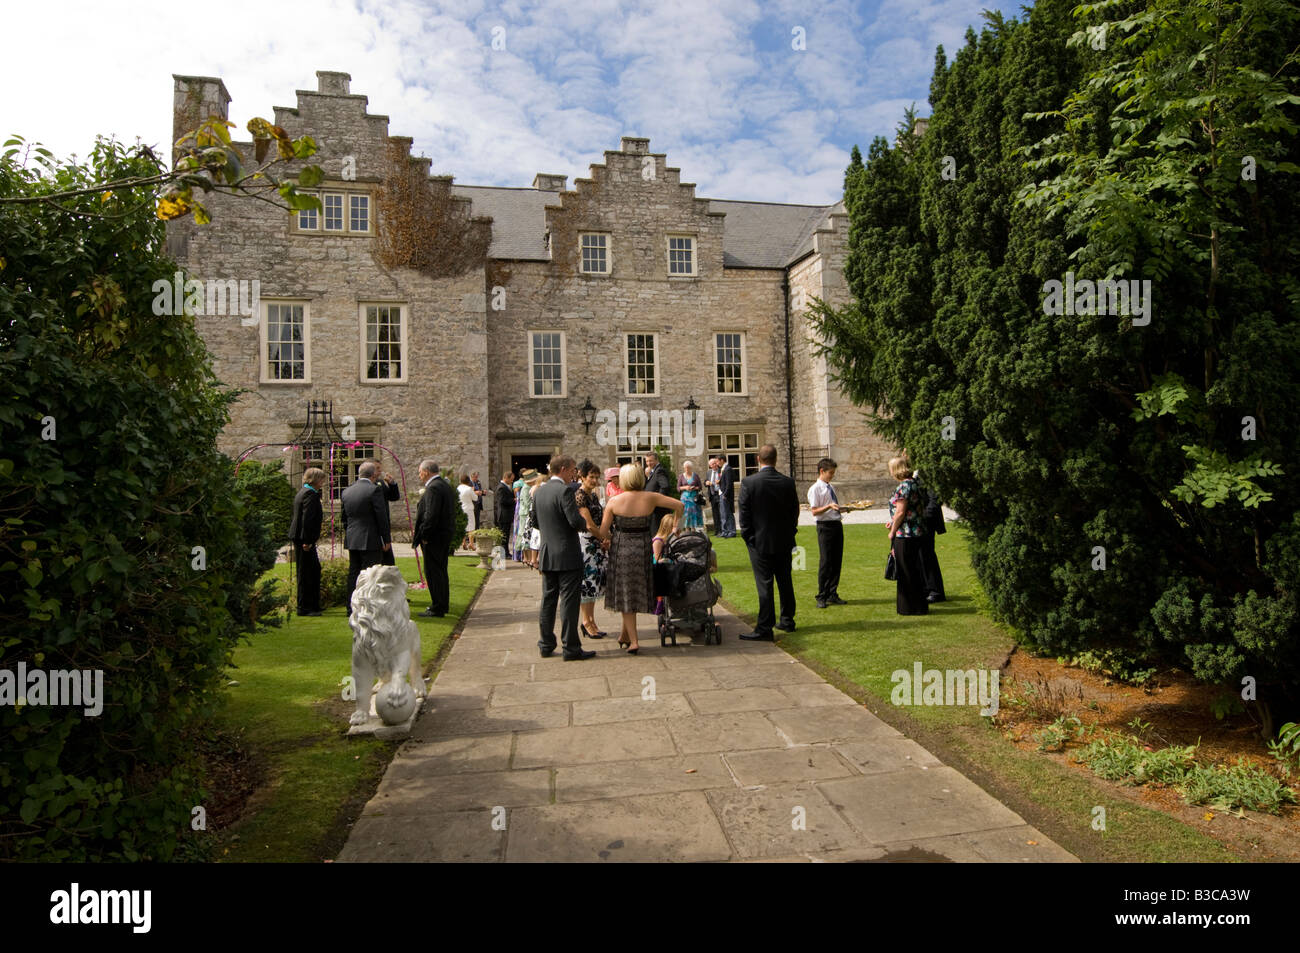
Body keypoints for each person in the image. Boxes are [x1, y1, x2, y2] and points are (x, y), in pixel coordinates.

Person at [597, 463, 683, 654]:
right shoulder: (651, 497)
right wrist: (675, 527)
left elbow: (603, 532)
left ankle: (634, 641)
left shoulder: (614, 501)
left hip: (621, 551)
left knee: (626, 594)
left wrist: (601, 533)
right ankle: (624, 634)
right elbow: (679, 505)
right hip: (643, 549)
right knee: (635, 591)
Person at [533, 455, 595, 661]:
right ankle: (571, 648)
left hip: (548, 552)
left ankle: (546, 644)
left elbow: (535, 521)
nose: (574, 474)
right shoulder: (565, 491)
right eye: (573, 470)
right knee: (568, 602)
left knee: (548, 600)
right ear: (563, 469)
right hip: (567, 553)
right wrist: (583, 522)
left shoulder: (540, 490)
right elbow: (575, 521)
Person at [738, 444, 800, 641]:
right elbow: (794, 513)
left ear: (758, 459)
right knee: (785, 581)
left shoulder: (749, 482)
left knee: (764, 584)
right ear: (776, 459)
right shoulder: (787, 482)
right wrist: (790, 533)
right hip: (783, 540)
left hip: (760, 542)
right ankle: (787, 621)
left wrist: (749, 538)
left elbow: (744, 515)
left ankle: (765, 627)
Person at [341, 460, 392, 614]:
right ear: (373, 475)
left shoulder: (347, 491)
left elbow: (344, 518)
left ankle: (351, 607)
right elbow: (381, 517)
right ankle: (368, 607)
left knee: (354, 573)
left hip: (352, 538)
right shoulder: (373, 490)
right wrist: (386, 539)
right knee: (371, 574)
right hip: (370, 538)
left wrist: (350, 533)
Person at [411, 459, 456, 617]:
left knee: (433, 571)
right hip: (443, 535)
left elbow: (431, 515)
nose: (419, 475)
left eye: (419, 472)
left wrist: (424, 535)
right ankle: (442, 604)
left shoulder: (434, 488)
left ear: (426, 471)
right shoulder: (443, 485)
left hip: (434, 537)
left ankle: (438, 607)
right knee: (440, 570)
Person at [887, 456, 929, 615]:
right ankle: (918, 605)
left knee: (906, 571)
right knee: (914, 569)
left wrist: (892, 530)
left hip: (905, 534)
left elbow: (901, 512)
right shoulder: (915, 484)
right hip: (917, 530)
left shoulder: (904, 487)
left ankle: (909, 606)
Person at [574, 460, 608, 639]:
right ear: (582, 476)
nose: (594, 480)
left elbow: (600, 521)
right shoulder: (580, 496)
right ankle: (586, 621)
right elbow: (588, 524)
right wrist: (605, 537)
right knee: (587, 584)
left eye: (597, 477)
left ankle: (591, 620)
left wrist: (604, 539)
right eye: (591, 477)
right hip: (586, 543)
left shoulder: (593, 496)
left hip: (597, 544)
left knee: (594, 584)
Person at [808, 456, 847, 609]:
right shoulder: (815, 489)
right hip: (825, 527)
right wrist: (829, 506)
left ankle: (832, 592)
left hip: (836, 524)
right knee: (826, 562)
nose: (832, 475)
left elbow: (832, 507)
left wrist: (844, 508)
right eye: (830, 473)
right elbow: (815, 511)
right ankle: (821, 595)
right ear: (821, 471)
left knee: (837, 561)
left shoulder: (831, 487)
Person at [287, 467, 325, 616]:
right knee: (306, 572)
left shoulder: (304, 492)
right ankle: (304, 607)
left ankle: (313, 604)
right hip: (304, 539)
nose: (322, 483)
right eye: (321, 479)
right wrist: (307, 541)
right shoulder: (310, 494)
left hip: (302, 537)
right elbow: (307, 519)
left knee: (313, 570)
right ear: (315, 480)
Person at [913, 468, 946, 603]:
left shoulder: (926, 473)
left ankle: (935, 591)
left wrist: (924, 516)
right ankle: (925, 588)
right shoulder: (914, 475)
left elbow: (935, 499)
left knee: (926, 555)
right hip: (917, 522)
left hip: (926, 522)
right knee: (919, 556)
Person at [651, 511, 678, 616]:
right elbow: (657, 559)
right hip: (659, 568)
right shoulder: (658, 540)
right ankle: (660, 604)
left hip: (667, 566)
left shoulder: (668, 539)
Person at [376, 466, 402, 566]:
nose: (380, 471)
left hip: (384, 525)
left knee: (389, 562)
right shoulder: (368, 485)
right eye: (377, 468)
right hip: (374, 529)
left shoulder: (381, 483)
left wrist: (392, 484)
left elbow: (394, 497)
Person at [643, 452, 674, 530]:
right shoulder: (654, 471)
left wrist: (657, 501)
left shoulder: (659, 471)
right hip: (654, 509)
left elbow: (665, 486)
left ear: (657, 460)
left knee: (658, 532)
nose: (648, 463)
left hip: (659, 510)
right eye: (647, 461)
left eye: (650, 461)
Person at [513, 468, 537, 564]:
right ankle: (526, 557)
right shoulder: (526, 488)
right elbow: (527, 503)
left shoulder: (527, 487)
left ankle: (526, 557)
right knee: (525, 534)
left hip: (525, 513)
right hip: (526, 514)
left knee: (526, 534)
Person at [494, 471, 515, 556]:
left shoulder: (505, 486)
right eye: (511, 479)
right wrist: (513, 500)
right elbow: (502, 501)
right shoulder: (501, 487)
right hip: (503, 515)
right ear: (506, 478)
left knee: (505, 534)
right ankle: (503, 553)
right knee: (503, 535)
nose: (512, 481)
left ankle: (505, 552)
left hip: (507, 514)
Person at [678, 461, 703, 530]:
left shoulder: (695, 475)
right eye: (685, 468)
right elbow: (678, 487)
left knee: (694, 513)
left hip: (694, 498)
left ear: (691, 468)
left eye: (688, 468)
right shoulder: (681, 476)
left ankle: (694, 529)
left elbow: (700, 486)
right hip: (684, 498)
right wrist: (685, 487)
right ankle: (685, 529)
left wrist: (694, 488)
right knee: (685, 513)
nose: (687, 469)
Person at [717, 454, 737, 537]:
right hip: (721, 493)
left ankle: (732, 531)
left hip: (726, 495)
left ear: (722, 460)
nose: (717, 463)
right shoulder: (722, 469)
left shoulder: (728, 469)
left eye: (718, 461)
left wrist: (725, 494)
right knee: (723, 514)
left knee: (728, 513)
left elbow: (729, 484)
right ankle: (725, 531)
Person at [457, 474, 476, 550]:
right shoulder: (469, 489)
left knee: (463, 526)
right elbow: (475, 498)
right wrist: (473, 491)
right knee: (471, 526)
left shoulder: (458, 488)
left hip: (461, 508)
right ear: (468, 481)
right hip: (468, 508)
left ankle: (463, 542)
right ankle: (471, 543)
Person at [706, 457, 723, 535]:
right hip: (712, 495)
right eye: (713, 464)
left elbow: (725, 480)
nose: (715, 465)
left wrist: (720, 481)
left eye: (715, 463)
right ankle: (717, 531)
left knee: (721, 513)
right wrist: (706, 482)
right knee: (715, 514)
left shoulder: (721, 470)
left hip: (720, 494)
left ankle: (722, 530)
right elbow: (705, 481)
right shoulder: (709, 472)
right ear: (710, 466)